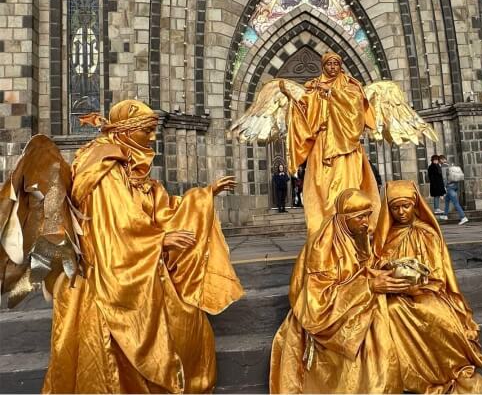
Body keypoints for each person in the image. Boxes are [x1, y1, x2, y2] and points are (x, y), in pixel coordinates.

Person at [43, 100, 244, 393]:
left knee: (186, 318)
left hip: (134, 261)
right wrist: (158, 241)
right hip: (108, 276)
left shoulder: (127, 170)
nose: (152, 138)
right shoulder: (105, 171)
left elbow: (158, 209)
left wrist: (203, 196)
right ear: (125, 132)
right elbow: (116, 228)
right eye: (147, 130)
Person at [269, 188, 404, 393]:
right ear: (344, 218)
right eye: (360, 218)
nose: (366, 223)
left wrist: (381, 270)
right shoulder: (322, 247)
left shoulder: (354, 233)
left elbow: (358, 270)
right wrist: (369, 286)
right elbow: (319, 301)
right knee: (369, 340)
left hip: (349, 305)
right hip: (325, 320)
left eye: (368, 216)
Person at [374, 180, 482, 393]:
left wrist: (415, 284)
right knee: (391, 312)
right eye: (395, 207)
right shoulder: (384, 236)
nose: (401, 212)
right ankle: (410, 373)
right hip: (393, 295)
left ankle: (439, 369)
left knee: (430, 312)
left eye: (406, 206)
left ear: (415, 204)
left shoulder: (427, 233)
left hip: (428, 292)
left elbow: (438, 275)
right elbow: (374, 266)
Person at [280, 51, 380, 236]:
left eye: (336, 64)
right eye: (329, 64)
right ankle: (326, 228)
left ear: (340, 66)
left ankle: (350, 225)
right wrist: (293, 96)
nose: (332, 67)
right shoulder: (314, 86)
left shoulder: (350, 85)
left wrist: (331, 93)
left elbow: (356, 105)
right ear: (323, 66)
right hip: (322, 143)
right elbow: (306, 109)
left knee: (347, 184)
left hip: (345, 146)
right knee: (322, 187)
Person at [438, 155, 468, 225]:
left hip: (449, 187)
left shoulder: (443, 166)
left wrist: (444, 187)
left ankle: (463, 217)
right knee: (447, 200)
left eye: (439, 160)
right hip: (455, 185)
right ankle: (445, 215)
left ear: (442, 160)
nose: (439, 162)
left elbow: (444, 178)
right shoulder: (450, 165)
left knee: (455, 203)